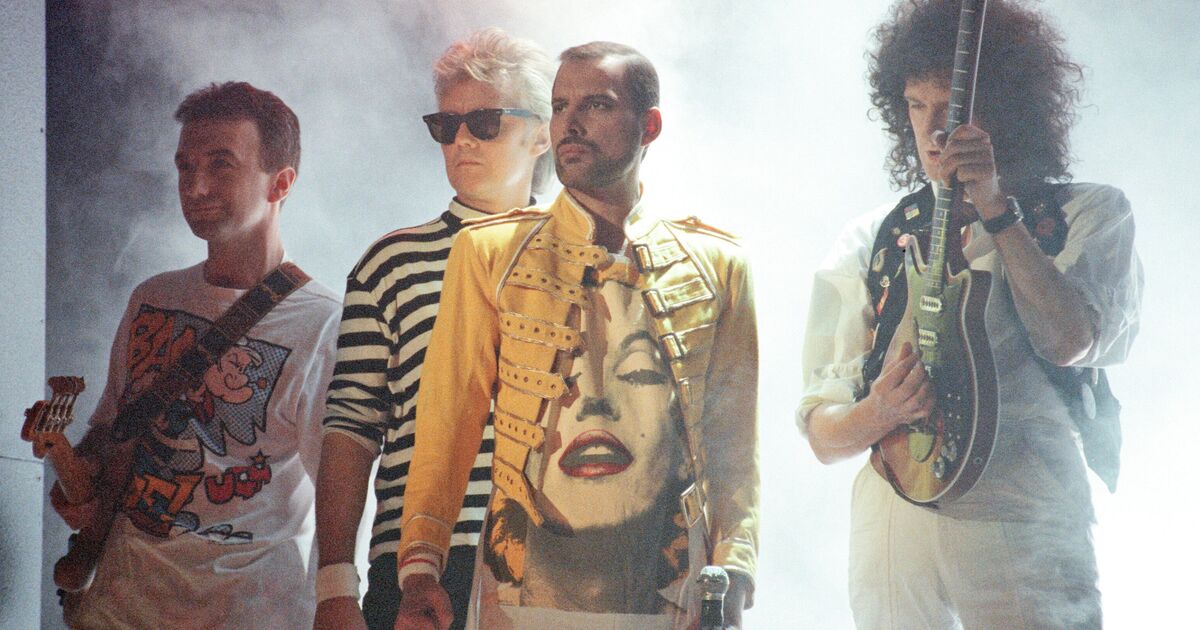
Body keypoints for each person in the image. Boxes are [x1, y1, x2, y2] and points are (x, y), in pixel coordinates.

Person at [796, 1, 1143, 628]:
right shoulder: (870, 236)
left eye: (954, 108)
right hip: (894, 522)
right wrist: (879, 412)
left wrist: (996, 208)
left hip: (1025, 512)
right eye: (916, 105)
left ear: (1008, 107)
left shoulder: (1090, 212)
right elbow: (822, 433)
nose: (934, 129)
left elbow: (1069, 341)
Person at [392, 41, 759, 630]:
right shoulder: (489, 252)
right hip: (519, 593)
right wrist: (419, 567)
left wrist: (735, 571)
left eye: (597, 104)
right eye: (560, 106)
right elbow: (445, 426)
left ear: (649, 125)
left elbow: (734, 444)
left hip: (673, 595)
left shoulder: (717, 266)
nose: (570, 123)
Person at [52, 81, 341, 628]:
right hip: (119, 605)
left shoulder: (324, 322)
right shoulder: (151, 297)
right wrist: (77, 479)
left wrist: (335, 605)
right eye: (185, 166)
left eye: (221, 164)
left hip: (250, 612)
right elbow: (110, 427)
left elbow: (338, 501)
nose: (195, 185)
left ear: (280, 182)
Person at [313, 28, 553, 630]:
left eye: (486, 122)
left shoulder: (584, 262)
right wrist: (334, 586)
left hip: (559, 557)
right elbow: (352, 427)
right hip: (423, 566)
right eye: (446, 125)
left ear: (543, 133)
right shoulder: (392, 262)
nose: (462, 140)